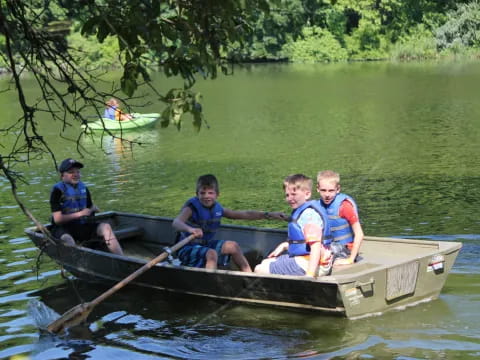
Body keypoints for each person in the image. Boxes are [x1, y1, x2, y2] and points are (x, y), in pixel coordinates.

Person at [172, 174, 287, 272]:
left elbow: (245, 214)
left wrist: (269, 215)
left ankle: (249, 276)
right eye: (202, 193)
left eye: (210, 193)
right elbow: (176, 223)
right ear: (197, 194)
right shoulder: (191, 208)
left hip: (205, 245)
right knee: (211, 254)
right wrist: (190, 229)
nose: (206, 196)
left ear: (217, 194)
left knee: (233, 246)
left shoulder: (218, 209)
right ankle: (210, 283)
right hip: (186, 248)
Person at [254, 174, 333, 277]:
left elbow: (315, 247)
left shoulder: (308, 215)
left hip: (311, 264)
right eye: (287, 195)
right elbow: (303, 242)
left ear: (307, 194)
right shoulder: (303, 211)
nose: (290, 198)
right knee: (266, 262)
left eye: (294, 194)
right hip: (305, 259)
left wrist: (309, 275)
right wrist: (285, 245)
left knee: (259, 269)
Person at [49, 158, 124, 255]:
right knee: (67, 239)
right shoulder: (57, 191)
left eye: (77, 172)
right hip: (63, 228)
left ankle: (121, 258)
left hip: (82, 226)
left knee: (106, 227)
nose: (76, 174)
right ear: (62, 175)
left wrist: (93, 209)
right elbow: (58, 219)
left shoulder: (83, 188)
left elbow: (89, 209)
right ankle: (78, 261)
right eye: (71, 172)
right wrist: (80, 214)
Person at [316, 170, 364, 265]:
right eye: (323, 190)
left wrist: (350, 260)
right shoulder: (317, 205)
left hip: (345, 250)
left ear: (338, 189)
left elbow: (359, 234)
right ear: (317, 188)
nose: (327, 195)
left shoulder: (344, 206)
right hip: (328, 246)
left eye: (331, 190)